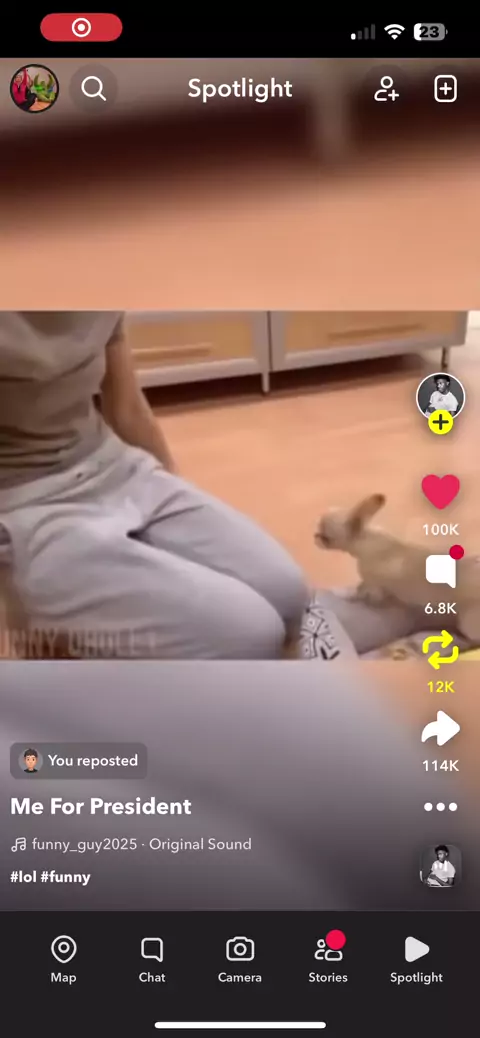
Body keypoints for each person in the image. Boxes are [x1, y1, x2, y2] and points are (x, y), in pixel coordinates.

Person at [0, 313, 308, 659]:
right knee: (252, 635)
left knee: (289, 595)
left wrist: (170, 495)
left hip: (112, 464)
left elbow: (127, 408)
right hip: (26, 504)